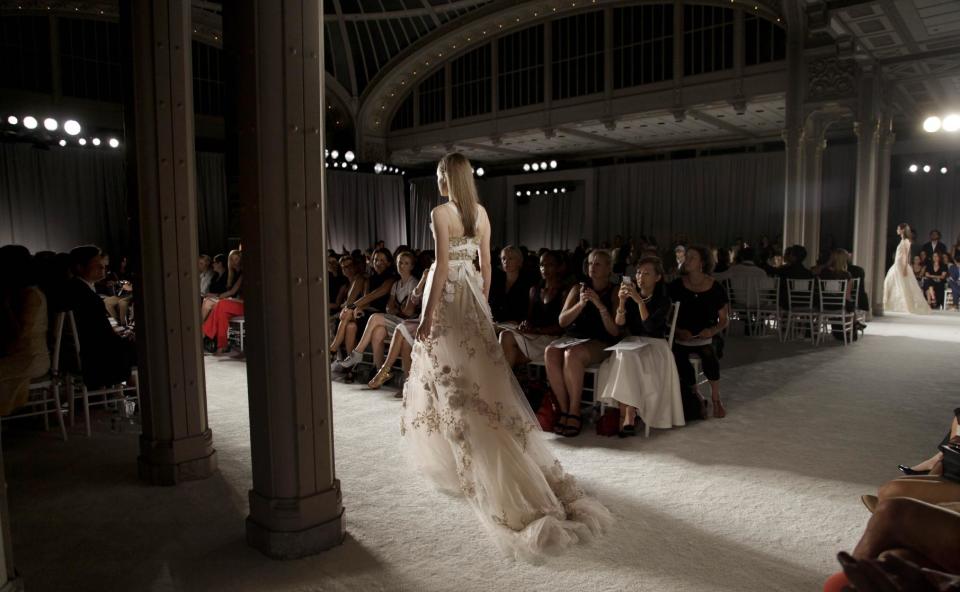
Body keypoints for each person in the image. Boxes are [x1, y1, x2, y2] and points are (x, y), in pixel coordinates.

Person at [401, 152, 611, 561]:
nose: (439, 180)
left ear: (446, 176)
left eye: (440, 175)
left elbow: (442, 265)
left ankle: (474, 463)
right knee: (479, 380)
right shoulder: (479, 212)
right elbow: (486, 267)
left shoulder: (441, 212)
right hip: (473, 297)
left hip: (445, 299)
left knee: (448, 378)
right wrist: (481, 301)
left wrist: (428, 315)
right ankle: (473, 454)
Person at [597, 256, 683, 437]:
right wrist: (621, 302)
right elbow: (619, 324)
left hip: (656, 345)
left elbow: (650, 327)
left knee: (625, 356)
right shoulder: (630, 296)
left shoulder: (663, 300)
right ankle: (629, 412)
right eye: (638, 272)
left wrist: (639, 301)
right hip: (632, 343)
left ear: (658, 277)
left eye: (646, 273)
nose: (640, 276)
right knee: (624, 354)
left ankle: (626, 414)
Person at [544, 249, 620, 438]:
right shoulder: (578, 288)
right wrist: (581, 304)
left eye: (598, 264)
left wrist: (599, 305)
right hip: (574, 337)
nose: (592, 267)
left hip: (600, 340)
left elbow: (615, 330)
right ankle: (564, 409)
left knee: (573, 354)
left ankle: (575, 410)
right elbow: (562, 321)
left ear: (609, 268)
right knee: (551, 351)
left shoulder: (614, 290)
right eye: (590, 263)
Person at [63, 245, 138, 389]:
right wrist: (124, 335)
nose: (102, 267)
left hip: (78, 352)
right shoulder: (84, 295)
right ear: (79, 267)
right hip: (94, 354)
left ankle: (131, 387)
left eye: (102, 264)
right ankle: (136, 389)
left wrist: (122, 332)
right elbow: (101, 331)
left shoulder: (77, 288)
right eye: (97, 265)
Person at [669, 245, 729, 420]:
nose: (686, 261)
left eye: (692, 258)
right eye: (686, 257)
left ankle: (716, 398)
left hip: (709, 334)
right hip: (683, 335)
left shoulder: (715, 287)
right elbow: (667, 315)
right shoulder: (676, 285)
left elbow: (724, 320)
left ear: (702, 262)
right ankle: (696, 396)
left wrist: (712, 330)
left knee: (708, 352)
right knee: (678, 354)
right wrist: (679, 331)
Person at [338, 251, 418, 371]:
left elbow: (408, 312)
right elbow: (388, 308)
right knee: (378, 332)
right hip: (398, 321)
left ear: (411, 266)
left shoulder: (414, 283)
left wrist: (395, 309)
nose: (402, 266)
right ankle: (379, 371)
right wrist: (396, 309)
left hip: (409, 325)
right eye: (400, 262)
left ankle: (357, 353)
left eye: (406, 263)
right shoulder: (396, 284)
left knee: (375, 317)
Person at [0, 245, 51, 415]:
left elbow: (19, 335)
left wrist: (5, 306)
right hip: (23, 354)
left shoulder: (31, 296)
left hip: (30, 358)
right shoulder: (23, 293)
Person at [498, 250, 568, 367]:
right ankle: (505, 381)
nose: (544, 268)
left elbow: (562, 327)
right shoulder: (534, 290)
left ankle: (503, 381)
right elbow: (529, 317)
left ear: (559, 267)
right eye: (541, 265)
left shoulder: (565, 292)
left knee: (508, 355)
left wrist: (536, 330)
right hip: (534, 337)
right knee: (505, 335)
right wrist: (526, 324)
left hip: (552, 339)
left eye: (549, 265)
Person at [883, 224, 932, 315]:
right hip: (897, 264)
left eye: (898, 228)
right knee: (891, 282)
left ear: (902, 230)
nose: (897, 230)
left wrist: (905, 267)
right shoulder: (902, 240)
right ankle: (891, 304)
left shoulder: (906, 241)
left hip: (901, 265)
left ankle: (904, 305)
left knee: (902, 284)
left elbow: (906, 255)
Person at [202, 250, 244, 354]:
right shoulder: (232, 274)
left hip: (244, 304)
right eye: (232, 259)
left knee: (220, 304)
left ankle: (203, 333)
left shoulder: (244, 273)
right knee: (221, 312)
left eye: (237, 259)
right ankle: (222, 346)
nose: (234, 262)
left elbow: (234, 292)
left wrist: (224, 298)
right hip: (235, 303)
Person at [488, 246, 532, 324]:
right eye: (503, 258)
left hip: (516, 324)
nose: (506, 261)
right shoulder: (496, 280)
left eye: (510, 258)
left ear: (519, 261)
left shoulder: (527, 283)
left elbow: (525, 311)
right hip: (495, 323)